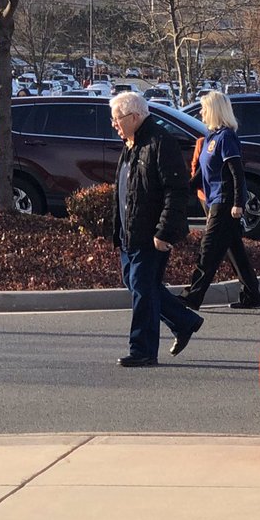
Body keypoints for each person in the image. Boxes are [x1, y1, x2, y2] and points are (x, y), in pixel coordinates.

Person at [109, 91, 203, 366]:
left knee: (142, 287)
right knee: (137, 283)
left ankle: (142, 351)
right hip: (130, 232)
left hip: (151, 234)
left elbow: (176, 192)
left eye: (117, 119)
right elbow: (126, 192)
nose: (114, 124)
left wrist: (163, 231)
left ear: (134, 117)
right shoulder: (130, 144)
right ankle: (184, 321)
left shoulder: (160, 143)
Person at [181, 91, 260, 312]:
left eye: (204, 108)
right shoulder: (210, 137)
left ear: (215, 110)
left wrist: (238, 202)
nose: (201, 112)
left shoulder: (226, 137)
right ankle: (252, 295)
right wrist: (184, 189)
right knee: (235, 251)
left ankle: (191, 297)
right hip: (213, 199)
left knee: (208, 249)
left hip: (225, 202)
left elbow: (237, 172)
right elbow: (203, 174)